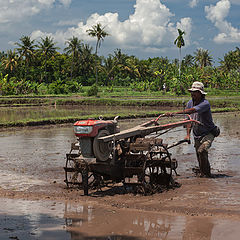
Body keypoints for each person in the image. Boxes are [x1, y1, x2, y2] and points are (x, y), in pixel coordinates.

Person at [167, 81, 217, 178]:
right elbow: (189, 120)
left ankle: (207, 175)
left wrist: (175, 113)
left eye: (195, 92)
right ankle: (204, 174)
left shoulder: (205, 103)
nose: (192, 93)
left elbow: (192, 110)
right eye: (192, 91)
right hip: (197, 134)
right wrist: (187, 135)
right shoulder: (190, 103)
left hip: (208, 133)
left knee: (202, 151)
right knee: (199, 156)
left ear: (200, 93)